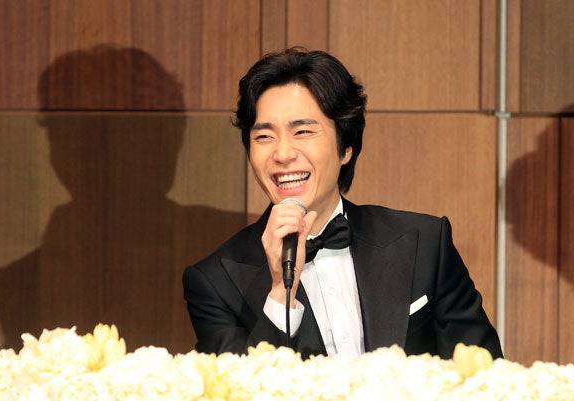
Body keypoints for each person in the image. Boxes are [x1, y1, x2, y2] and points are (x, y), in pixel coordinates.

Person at [183, 48, 503, 360]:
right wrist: (281, 291)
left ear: (346, 146)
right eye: (264, 137)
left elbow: (485, 375)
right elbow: (242, 387)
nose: (282, 154)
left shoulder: (425, 244)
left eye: (302, 131)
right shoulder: (214, 282)